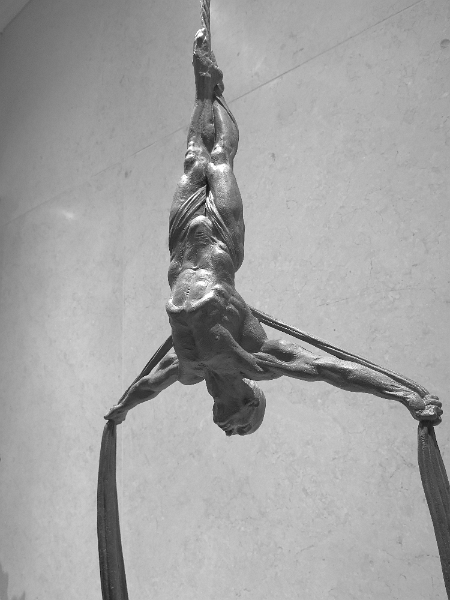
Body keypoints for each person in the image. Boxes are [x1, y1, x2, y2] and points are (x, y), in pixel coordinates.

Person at [105, 28, 442, 435]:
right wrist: (403, 394)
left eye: (231, 431)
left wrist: (120, 410)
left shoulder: (189, 370)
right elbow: (327, 369)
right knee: (220, 159)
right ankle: (215, 91)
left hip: (180, 245)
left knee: (193, 159)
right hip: (221, 241)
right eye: (240, 427)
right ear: (251, 401)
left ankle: (203, 88)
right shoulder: (254, 359)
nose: (228, 430)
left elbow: (147, 386)